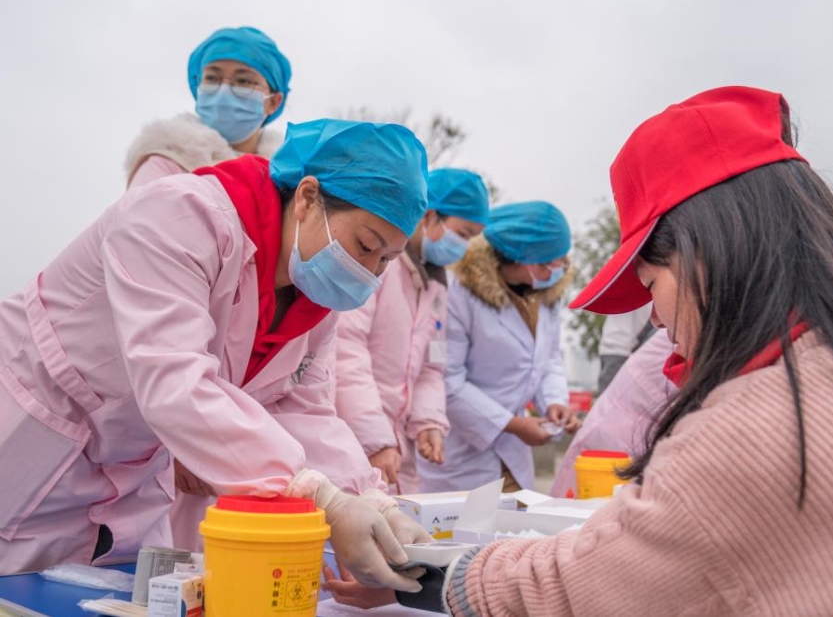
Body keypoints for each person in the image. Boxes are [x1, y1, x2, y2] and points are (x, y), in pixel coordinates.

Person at [429, 86, 833, 615]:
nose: (654, 317)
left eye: (648, 285)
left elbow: (584, 586)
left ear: (704, 255)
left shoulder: (745, 433)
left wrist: (438, 577)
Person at [0, 118, 433, 593]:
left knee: (114, 595)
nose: (368, 274)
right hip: (34, 442)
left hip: (132, 478)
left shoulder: (314, 298)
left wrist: (370, 499)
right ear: (308, 198)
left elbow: (302, 408)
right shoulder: (179, 216)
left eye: (386, 260)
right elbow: (176, 385)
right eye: (366, 246)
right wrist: (322, 499)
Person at [335, 168, 490, 494]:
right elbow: (346, 350)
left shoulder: (436, 285)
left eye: (471, 238)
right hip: (351, 439)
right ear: (430, 216)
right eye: (462, 234)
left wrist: (429, 421)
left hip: (395, 453)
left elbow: (432, 367)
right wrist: (374, 436)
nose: (463, 247)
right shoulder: (378, 264)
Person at [418, 201, 581, 494]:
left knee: (514, 532)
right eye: (546, 264)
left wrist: (555, 401)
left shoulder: (544, 297)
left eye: (561, 262)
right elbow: (448, 380)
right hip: (459, 451)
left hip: (515, 452)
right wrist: (512, 424)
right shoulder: (458, 294)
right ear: (513, 257)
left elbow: (548, 359)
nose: (555, 272)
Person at [124, 26, 289, 188]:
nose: (224, 92)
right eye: (212, 78)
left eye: (243, 81)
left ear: (273, 102)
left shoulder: (289, 183)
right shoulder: (166, 164)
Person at [550, 328, 674, 498]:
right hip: (612, 445)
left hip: (636, 439)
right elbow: (615, 346)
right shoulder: (674, 336)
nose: (656, 320)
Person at [595, 304, 653, 395]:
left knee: (608, 397)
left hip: (609, 348)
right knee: (614, 399)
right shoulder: (648, 296)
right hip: (623, 351)